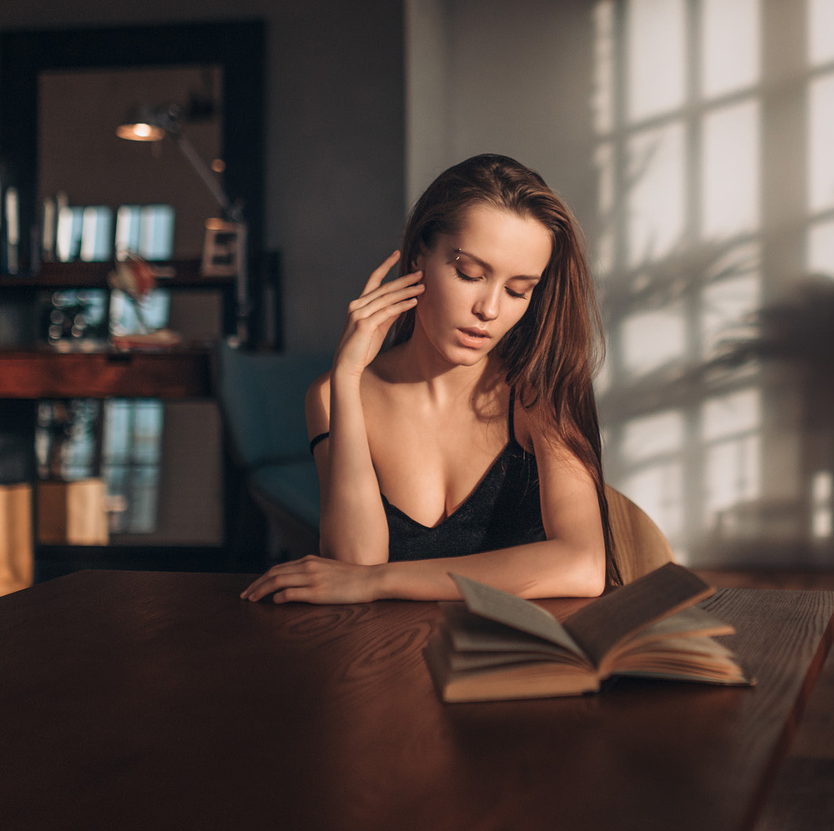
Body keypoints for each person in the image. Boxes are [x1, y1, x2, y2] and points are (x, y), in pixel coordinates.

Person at [241, 154, 619, 604]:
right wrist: (347, 376)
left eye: (519, 290)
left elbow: (583, 565)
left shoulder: (539, 393)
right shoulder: (332, 395)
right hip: (390, 658)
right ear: (420, 254)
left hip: (523, 661)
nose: (491, 310)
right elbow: (353, 565)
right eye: (469, 274)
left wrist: (383, 581)